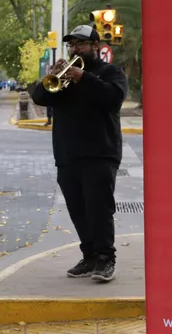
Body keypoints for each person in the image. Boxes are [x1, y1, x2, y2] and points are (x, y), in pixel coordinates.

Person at [31, 24, 128, 283]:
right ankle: (89, 256)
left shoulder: (111, 72)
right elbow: (40, 98)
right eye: (72, 45)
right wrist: (51, 76)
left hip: (100, 152)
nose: (76, 49)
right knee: (78, 209)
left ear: (95, 46)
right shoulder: (63, 78)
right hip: (67, 153)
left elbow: (113, 99)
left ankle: (106, 258)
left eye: (81, 44)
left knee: (99, 209)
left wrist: (83, 78)